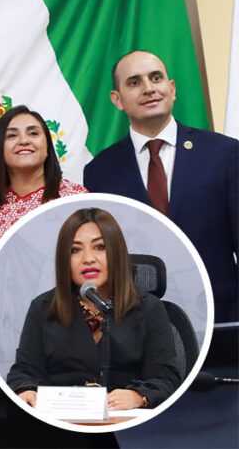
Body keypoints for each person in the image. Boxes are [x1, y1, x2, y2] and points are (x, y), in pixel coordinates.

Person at [83, 50, 238, 322]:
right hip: (137, 321)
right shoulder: (100, 171)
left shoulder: (224, 153)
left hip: (221, 314)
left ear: (172, 88)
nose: (149, 88)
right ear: (116, 99)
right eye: (134, 82)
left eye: (156, 78)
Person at [7, 207, 181, 410]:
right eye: (75, 250)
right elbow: (24, 371)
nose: (88, 258)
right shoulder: (43, 307)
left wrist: (139, 396)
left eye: (99, 247)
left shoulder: (149, 307)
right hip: (64, 421)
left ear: (116, 253)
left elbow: (165, 376)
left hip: (129, 421)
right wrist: (26, 389)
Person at [0, 105, 87, 248]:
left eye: (33, 133)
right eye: (12, 135)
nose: (24, 141)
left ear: (47, 147)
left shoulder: (75, 198)